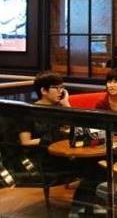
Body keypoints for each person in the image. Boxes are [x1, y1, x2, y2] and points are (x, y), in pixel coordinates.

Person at [19, 72, 103, 214]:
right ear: (43, 91)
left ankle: (83, 207)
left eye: (62, 87)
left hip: (65, 155)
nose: (61, 91)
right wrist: (48, 139)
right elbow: (25, 141)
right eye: (56, 88)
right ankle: (80, 208)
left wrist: (66, 104)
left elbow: (77, 129)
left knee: (99, 164)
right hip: (45, 160)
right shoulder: (29, 112)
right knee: (94, 169)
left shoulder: (59, 108)